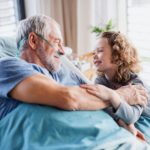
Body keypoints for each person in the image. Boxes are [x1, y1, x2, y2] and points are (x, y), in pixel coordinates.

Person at [0, 15, 147, 122]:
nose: (63, 52)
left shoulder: (60, 71)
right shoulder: (8, 66)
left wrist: (124, 121)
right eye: (57, 42)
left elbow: (92, 95)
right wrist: (119, 96)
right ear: (33, 41)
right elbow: (69, 98)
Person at [80, 31, 150, 140]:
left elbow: (131, 116)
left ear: (117, 54)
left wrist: (112, 95)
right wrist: (120, 121)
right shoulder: (100, 80)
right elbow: (104, 107)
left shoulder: (136, 83)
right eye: (94, 52)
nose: (94, 55)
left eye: (100, 51)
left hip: (145, 118)